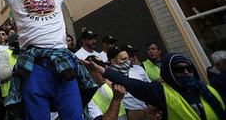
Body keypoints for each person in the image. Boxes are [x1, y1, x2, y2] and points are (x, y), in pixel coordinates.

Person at [84, 52, 226, 119]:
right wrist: (116, 98)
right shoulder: (162, 92)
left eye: (189, 69)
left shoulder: (210, 90)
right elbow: (127, 82)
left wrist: (145, 113)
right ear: (169, 73)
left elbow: (126, 115)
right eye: (179, 69)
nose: (186, 72)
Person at [85, 56, 127, 120]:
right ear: (89, 73)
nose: (104, 73)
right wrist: (116, 99)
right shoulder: (87, 97)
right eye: (99, 71)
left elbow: (125, 113)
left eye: (103, 69)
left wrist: (144, 113)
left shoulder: (106, 85)